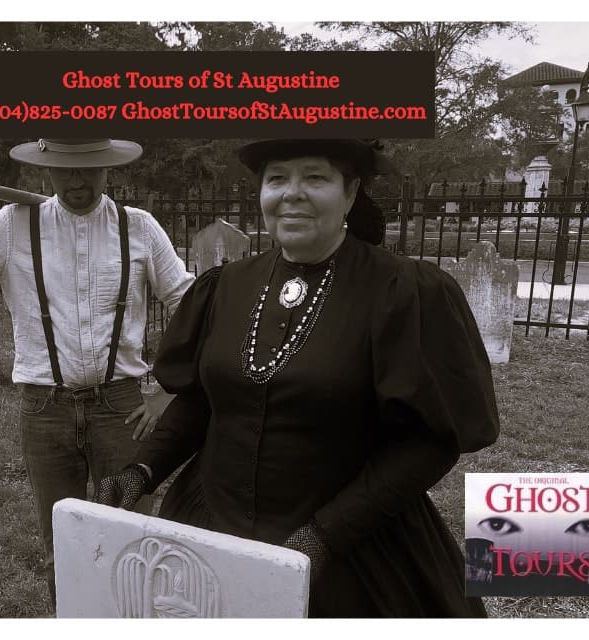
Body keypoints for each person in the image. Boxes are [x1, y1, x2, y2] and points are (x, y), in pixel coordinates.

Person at [97, 139, 500, 617]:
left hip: (351, 551)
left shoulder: (401, 292)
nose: (292, 193)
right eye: (277, 178)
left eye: (315, 177)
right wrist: (143, 469)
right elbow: (205, 401)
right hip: (214, 527)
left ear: (350, 193)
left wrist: (325, 535)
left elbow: (430, 443)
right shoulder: (226, 287)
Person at [0, 138, 194, 609]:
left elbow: (189, 305)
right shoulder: (14, 225)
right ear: (45, 171)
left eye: (90, 170)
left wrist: (170, 387)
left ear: (108, 169)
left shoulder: (139, 228)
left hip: (123, 407)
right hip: (45, 410)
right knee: (63, 540)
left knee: (135, 538)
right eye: (66, 171)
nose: (77, 182)